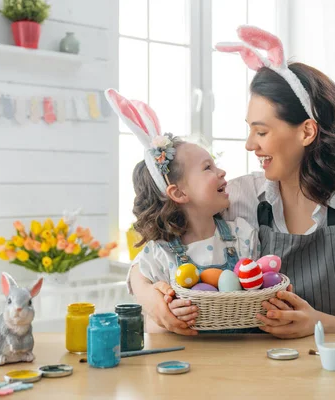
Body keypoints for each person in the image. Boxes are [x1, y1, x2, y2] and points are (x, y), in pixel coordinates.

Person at [217, 25, 335, 338]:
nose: (250, 144)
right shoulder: (239, 197)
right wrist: (156, 303)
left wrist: (318, 322)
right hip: (249, 376)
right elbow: (159, 251)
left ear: (306, 132)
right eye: (250, 130)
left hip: (331, 377)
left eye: (261, 132)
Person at [104, 89, 258, 335]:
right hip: (181, 356)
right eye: (208, 167)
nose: (222, 172)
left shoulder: (243, 234)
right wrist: (168, 317)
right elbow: (151, 318)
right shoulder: (158, 254)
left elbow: (258, 288)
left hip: (240, 353)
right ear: (178, 194)